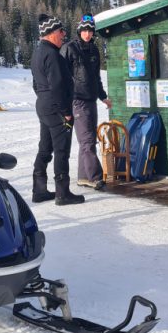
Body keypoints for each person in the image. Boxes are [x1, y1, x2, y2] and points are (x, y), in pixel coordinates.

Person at [31, 14, 84, 206]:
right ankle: (63, 194)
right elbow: (59, 86)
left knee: (45, 147)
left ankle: (39, 190)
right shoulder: (53, 55)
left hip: (44, 105)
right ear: (51, 33)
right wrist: (66, 112)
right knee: (61, 149)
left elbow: (35, 84)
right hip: (56, 108)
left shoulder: (38, 52)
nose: (64, 34)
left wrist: (44, 99)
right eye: (61, 31)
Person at [62, 14, 111, 190]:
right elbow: (60, 77)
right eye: (84, 30)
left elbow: (96, 77)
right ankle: (95, 177)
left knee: (88, 140)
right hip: (76, 100)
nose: (87, 33)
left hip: (91, 100)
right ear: (79, 30)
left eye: (90, 30)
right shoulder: (69, 48)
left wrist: (103, 96)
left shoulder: (94, 50)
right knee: (87, 140)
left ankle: (83, 177)